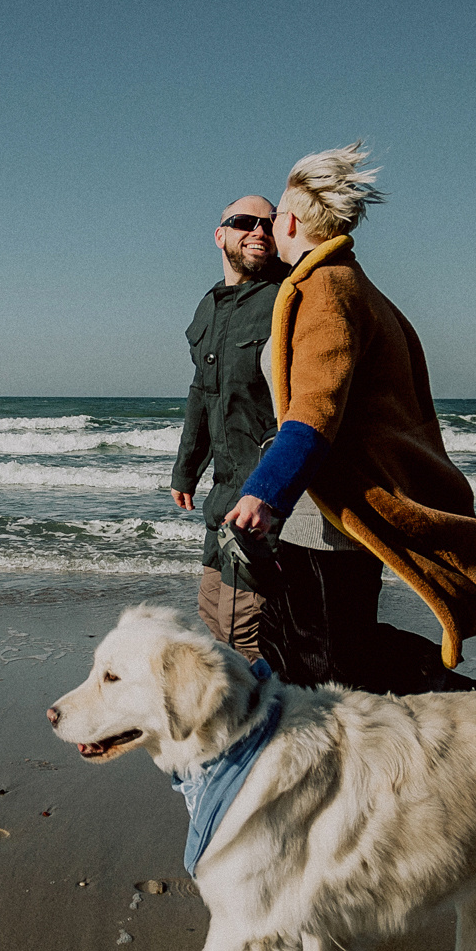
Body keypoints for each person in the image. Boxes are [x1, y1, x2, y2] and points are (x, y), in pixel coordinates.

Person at [224, 143, 476, 691]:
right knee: (301, 651)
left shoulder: (324, 290)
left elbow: (314, 412)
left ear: (288, 221)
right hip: (322, 510)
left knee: (331, 668)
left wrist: (266, 491)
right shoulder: (349, 284)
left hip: (326, 518)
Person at [170, 195, 285, 659]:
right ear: (220, 235)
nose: (259, 231)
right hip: (222, 494)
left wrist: (272, 490)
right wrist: (186, 469)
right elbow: (202, 392)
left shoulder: (286, 298)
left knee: (246, 630)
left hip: (263, 497)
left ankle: (279, 721)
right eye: (244, 222)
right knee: (213, 610)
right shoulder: (207, 308)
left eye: (269, 224)